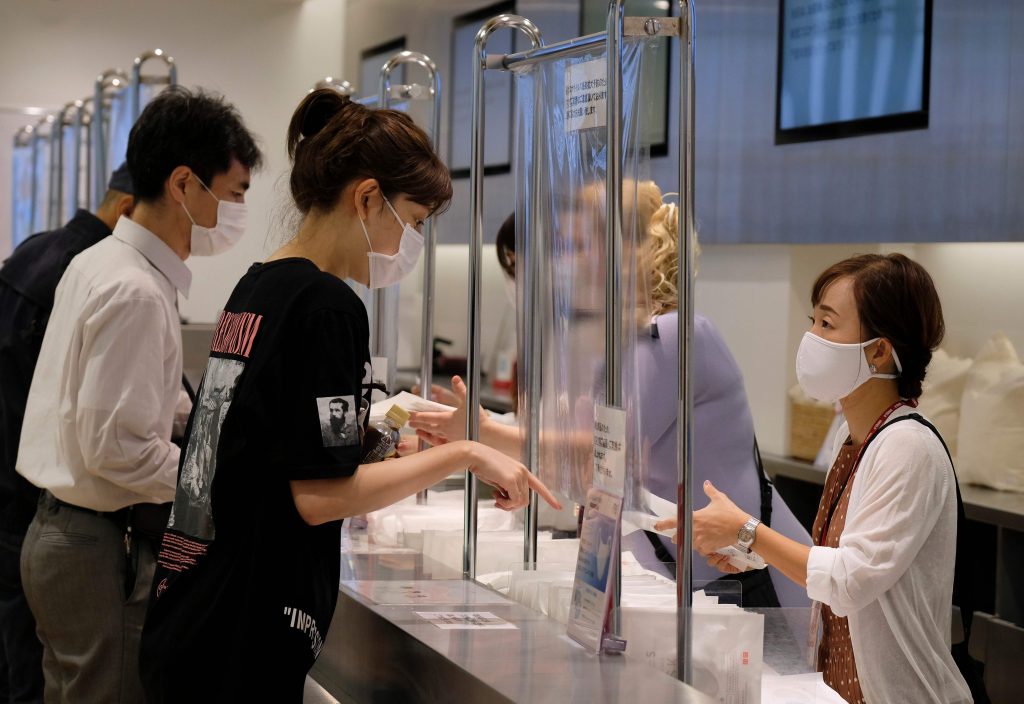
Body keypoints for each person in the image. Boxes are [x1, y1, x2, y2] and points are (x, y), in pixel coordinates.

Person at [138, 88, 559, 703]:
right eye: (413, 221)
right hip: (240, 640)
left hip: (192, 615)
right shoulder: (328, 307)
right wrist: (464, 455)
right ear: (367, 198)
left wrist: (383, 434)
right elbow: (318, 497)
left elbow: (271, 448)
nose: (410, 243)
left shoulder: (260, 286)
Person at [408, 183, 810, 607]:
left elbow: (598, 449)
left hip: (754, 589)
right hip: (691, 582)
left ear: (627, 252)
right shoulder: (625, 343)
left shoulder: (674, 334)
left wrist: (484, 433)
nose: (566, 262)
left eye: (579, 246)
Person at [16, 87, 263, 703]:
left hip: (65, 535)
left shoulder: (105, 264)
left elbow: (130, 402)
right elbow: (120, 452)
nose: (236, 214)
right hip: (95, 548)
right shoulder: (134, 291)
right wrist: (221, 479)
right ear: (184, 184)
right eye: (233, 195)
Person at [688, 253, 972, 703]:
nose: (811, 337)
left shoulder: (908, 447)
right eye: (813, 321)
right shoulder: (855, 436)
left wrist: (749, 532)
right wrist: (748, 551)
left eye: (827, 324)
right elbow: (838, 558)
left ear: (879, 351)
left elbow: (850, 580)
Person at [0, 164, 134, 703]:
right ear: (129, 210)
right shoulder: (93, 271)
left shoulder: (37, 249)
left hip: (11, 489)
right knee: (39, 675)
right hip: (35, 503)